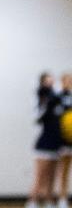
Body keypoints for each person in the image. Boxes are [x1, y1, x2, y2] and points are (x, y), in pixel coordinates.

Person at [28, 72, 63, 208]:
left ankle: (49, 199)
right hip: (44, 141)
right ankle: (32, 201)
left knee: (53, 174)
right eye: (47, 81)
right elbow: (37, 117)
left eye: (52, 81)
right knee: (40, 174)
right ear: (42, 82)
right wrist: (46, 102)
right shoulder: (41, 97)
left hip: (56, 140)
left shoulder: (56, 97)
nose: (50, 83)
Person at [56, 72, 72, 208]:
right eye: (67, 80)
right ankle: (62, 198)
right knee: (64, 171)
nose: (69, 83)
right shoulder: (57, 97)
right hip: (64, 140)